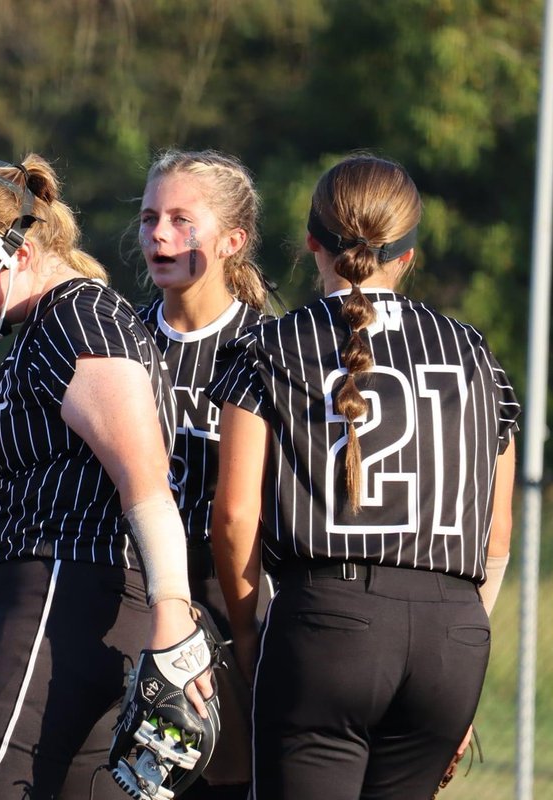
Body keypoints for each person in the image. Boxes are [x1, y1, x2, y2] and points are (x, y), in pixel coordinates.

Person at [207, 154, 519, 800]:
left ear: (312, 243)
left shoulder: (270, 348)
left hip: (328, 623)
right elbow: (495, 535)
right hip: (453, 634)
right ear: (408, 255)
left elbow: (236, 517)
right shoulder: (474, 354)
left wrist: (245, 635)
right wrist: (458, 638)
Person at [0, 156, 213, 800]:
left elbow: (146, 480)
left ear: (15, 252)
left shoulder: (77, 318)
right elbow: (76, 467)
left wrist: (174, 618)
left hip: (62, 603)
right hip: (57, 602)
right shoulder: (47, 324)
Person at [134, 149, 272, 799]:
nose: (159, 234)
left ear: (232, 241)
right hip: (136, 611)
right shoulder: (120, 342)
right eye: (149, 217)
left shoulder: (271, 349)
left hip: (235, 614)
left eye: (182, 220)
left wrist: (251, 636)